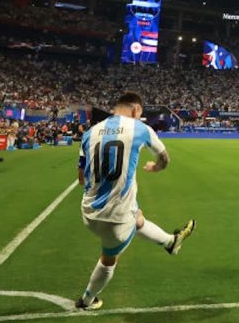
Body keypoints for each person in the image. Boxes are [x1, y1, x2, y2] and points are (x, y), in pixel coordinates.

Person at [74, 92, 195, 311]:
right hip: (114, 219)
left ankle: (170, 242)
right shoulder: (141, 129)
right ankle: (87, 300)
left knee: (137, 217)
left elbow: (81, 177)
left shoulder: (90, 133)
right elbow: (165, 158)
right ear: (136, 110)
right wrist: (155, 167)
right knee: (110, 257)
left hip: (88, 210)